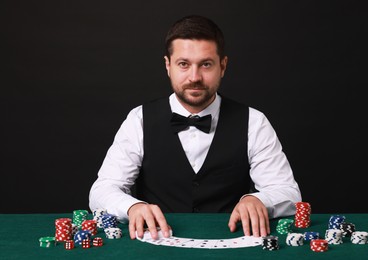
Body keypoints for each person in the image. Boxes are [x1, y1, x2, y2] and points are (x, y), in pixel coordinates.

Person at [89, 14, 301, 241]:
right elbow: (101, 190)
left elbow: (289, 193)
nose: (194, 77)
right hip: (157, 245)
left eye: (206, 64)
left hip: (231, 244)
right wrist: (132, 207)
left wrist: (258, 200)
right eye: (183, 64)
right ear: (168, 66)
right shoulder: (138, 119)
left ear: (223, 66)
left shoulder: (254, 121)